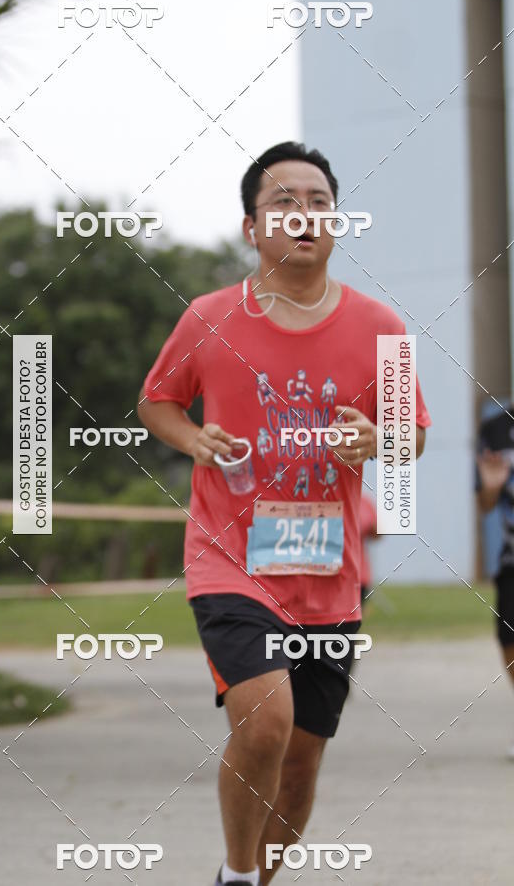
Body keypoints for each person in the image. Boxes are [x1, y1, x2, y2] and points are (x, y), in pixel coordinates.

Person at [137, 141, 431, 885]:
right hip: (230, 560)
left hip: (328, 572)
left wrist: (379, 437)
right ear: (252, 227)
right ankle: (238, 879)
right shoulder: (208, 318)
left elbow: (413, 435)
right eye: (283, 204)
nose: (304, 216)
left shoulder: (383, 327)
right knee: (264, 723)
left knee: (299, 764)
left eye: (319, 202)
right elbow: (157, 401)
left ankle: (255, 880)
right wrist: (194, 438)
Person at [476, 409, 514, 759]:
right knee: (508, 641)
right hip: (511, 561)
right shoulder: (496, 427)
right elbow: (485, 505)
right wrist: (490, 487)